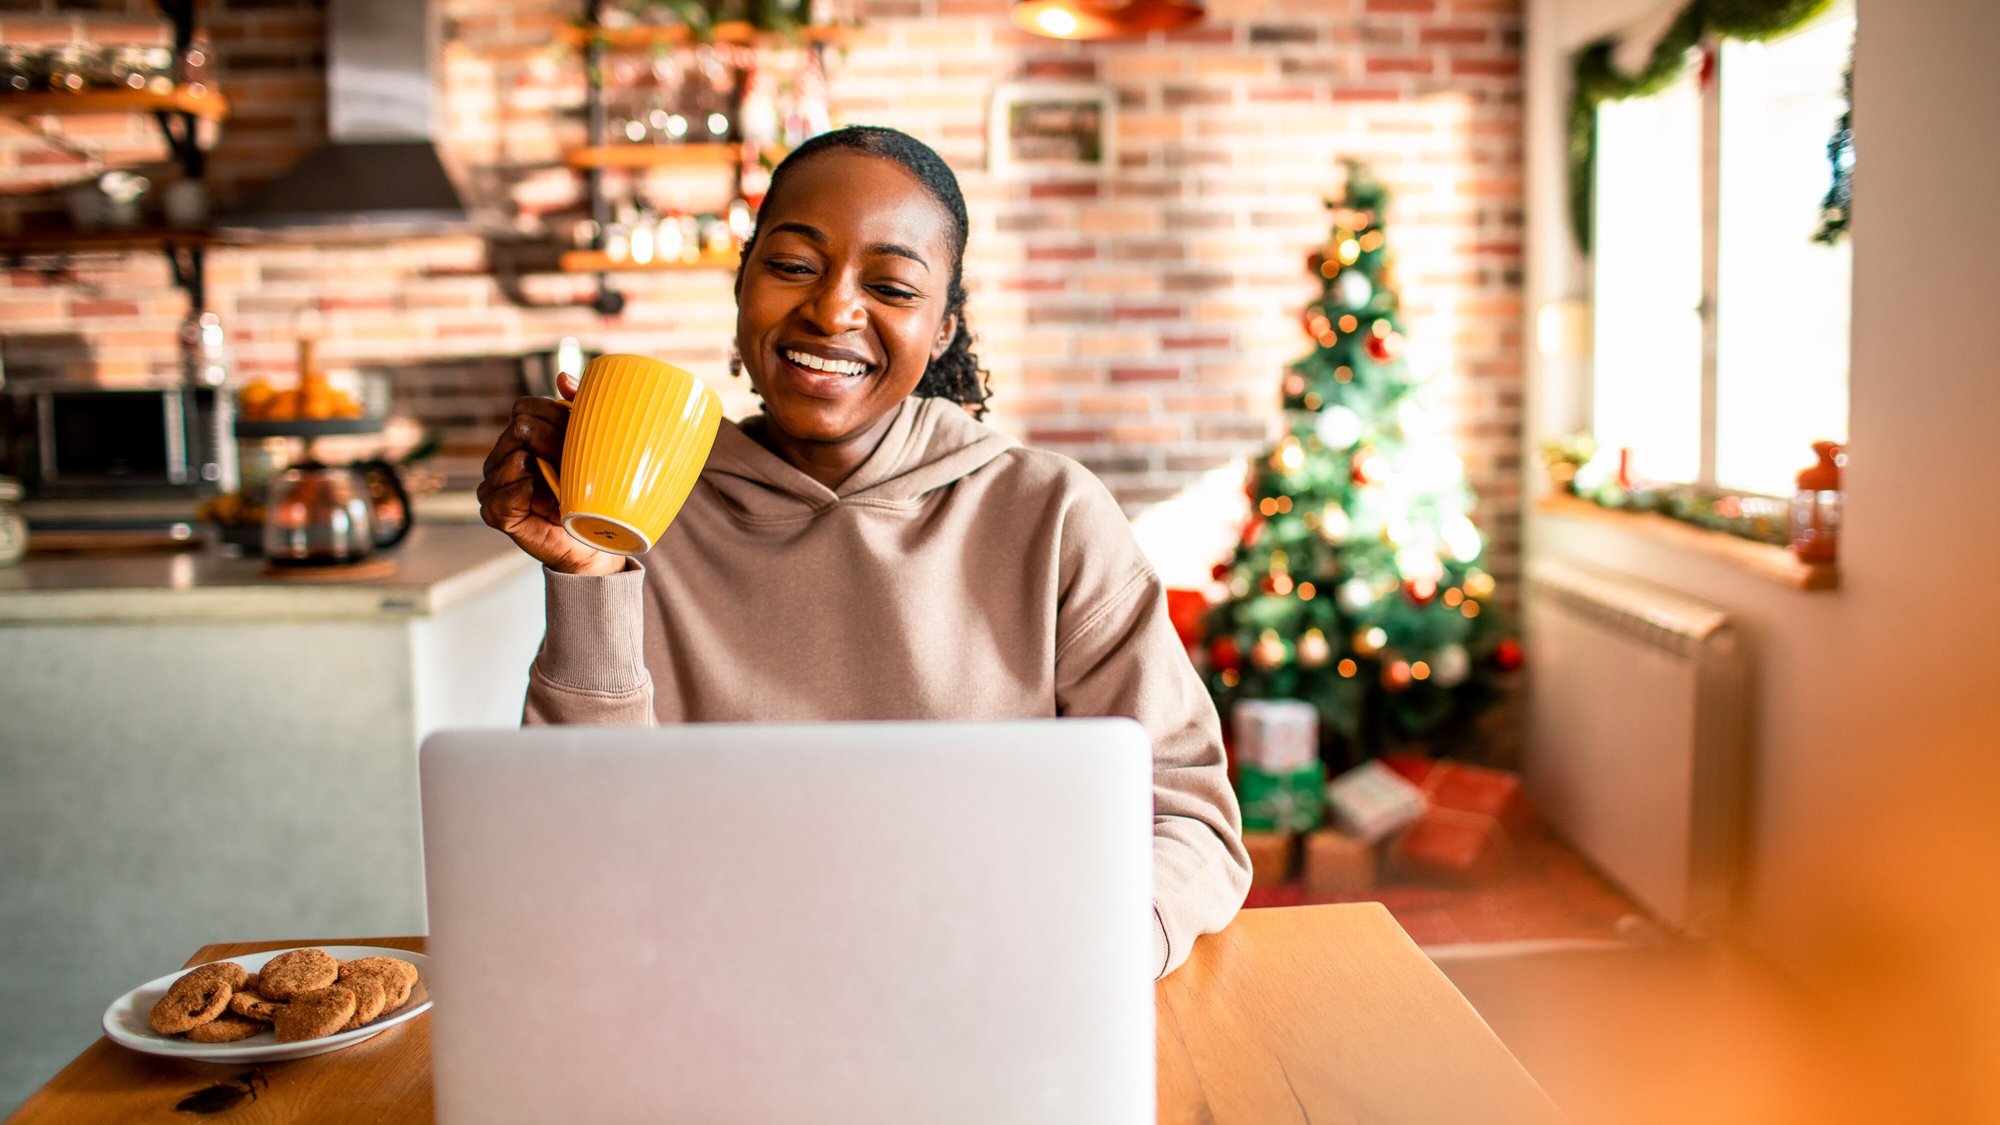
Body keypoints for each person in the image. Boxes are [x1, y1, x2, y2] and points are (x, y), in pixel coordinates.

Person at [478, 125, 1248, 978]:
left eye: (889, 285)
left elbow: (1188, 818)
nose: (834, 309)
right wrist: (590, 577)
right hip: (717, 993)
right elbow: (582, 854)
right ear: (743, 284)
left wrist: (1093, 954)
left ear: (944, 327)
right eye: (795, 265)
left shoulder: (1050, 514)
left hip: (992, 993)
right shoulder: (646, 518)